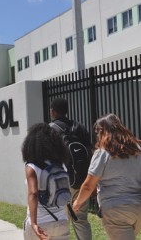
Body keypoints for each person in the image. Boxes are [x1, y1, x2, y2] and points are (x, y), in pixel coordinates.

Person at [73, 113, 141, 240]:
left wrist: (77, 203)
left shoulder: (103, 152)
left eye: (97, 131)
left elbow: (88, 185)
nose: (96, 135)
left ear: (102, 131)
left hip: (117, 211)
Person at [49, 98, 92, 240]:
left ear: (53, 111)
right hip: (82, 180)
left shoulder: (50, 129)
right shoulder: (79, 127)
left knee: (61, 219)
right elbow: (90, 152)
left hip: (61, 182)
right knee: (80, 219)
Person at [22, 123, 70, 240]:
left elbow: (33, 194)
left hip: (40, 223)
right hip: (61, 221)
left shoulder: (31, 167)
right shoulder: (61, 165)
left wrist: (33, 223)